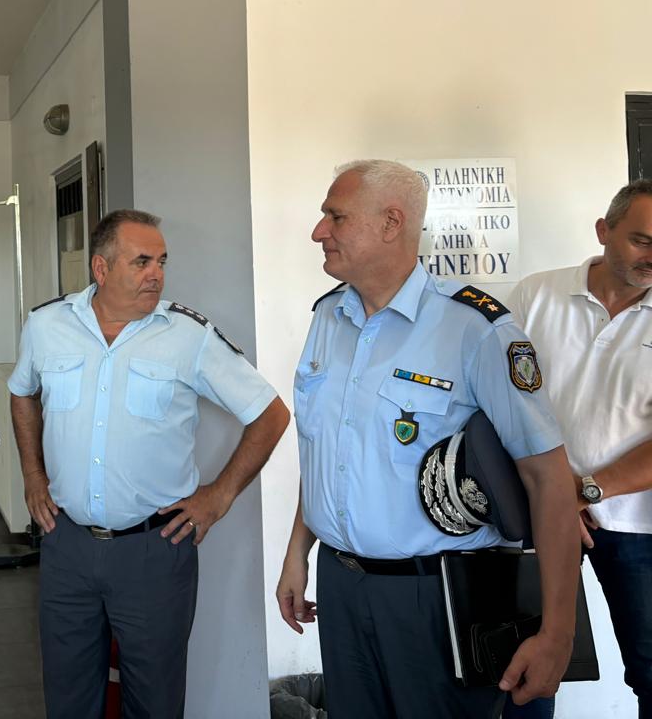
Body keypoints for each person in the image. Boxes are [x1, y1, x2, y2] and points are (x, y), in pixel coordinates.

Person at [275, 159, 579, 718]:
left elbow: (548, 479)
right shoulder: (328, 317)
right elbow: (325, 449)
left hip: (436, 594)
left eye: (336, 217)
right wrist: (298, 552)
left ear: (392, 223)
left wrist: (558, 632)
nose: (319, 231)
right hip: (341, 587)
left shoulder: (475, 328)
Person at [8, 208, 290, 719]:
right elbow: (22, 392)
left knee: (155, 701)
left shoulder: (187, 335)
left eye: (161, 261)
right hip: (67, 545)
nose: (156, 274)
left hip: (154, 551)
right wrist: (32, 474)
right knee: (68, 698)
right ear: (100, 268)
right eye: (141, 262)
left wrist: (219, 496)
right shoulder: (46, 326)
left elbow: (270, 413)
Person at [503, 179, 652, 719]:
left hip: (636, 529)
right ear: (603, 230)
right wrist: (553, 491)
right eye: (641, 240)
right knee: (523, 663)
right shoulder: (535, 295)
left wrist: (583, 491)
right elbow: (495, 400)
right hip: (531, 513)